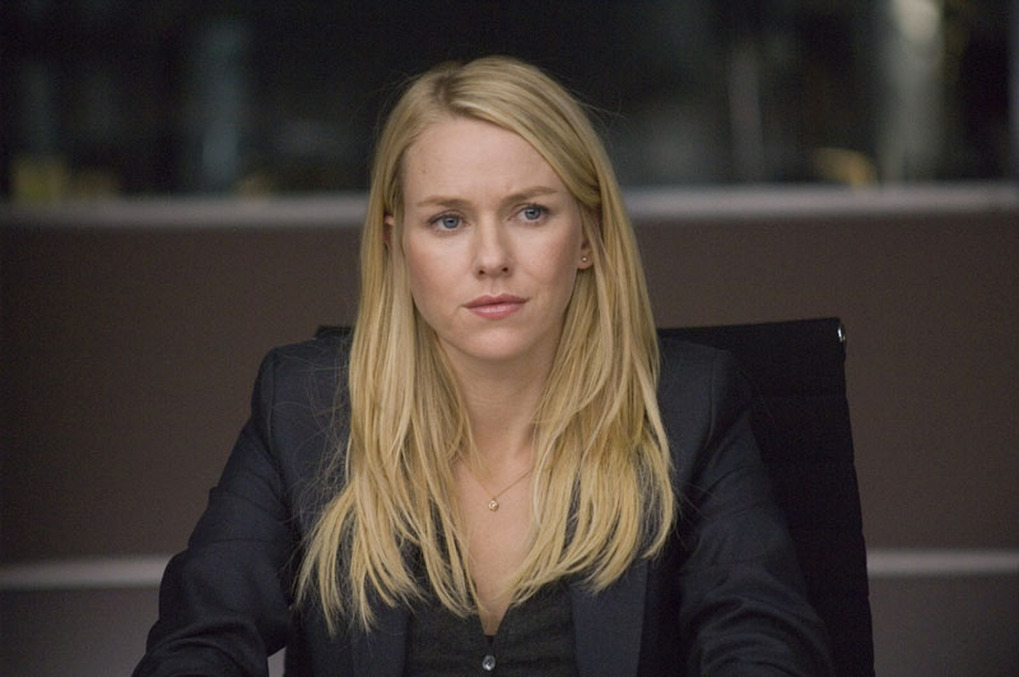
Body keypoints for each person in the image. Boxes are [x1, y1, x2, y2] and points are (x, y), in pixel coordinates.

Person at [135, 56, 833, 676]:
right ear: (397, 246)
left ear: (587, 235)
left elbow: (762, 645)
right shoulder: (302, 407)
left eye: (530, 212)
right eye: (448, 220)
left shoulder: (688, 405)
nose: (491, 257)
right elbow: (202, 639)